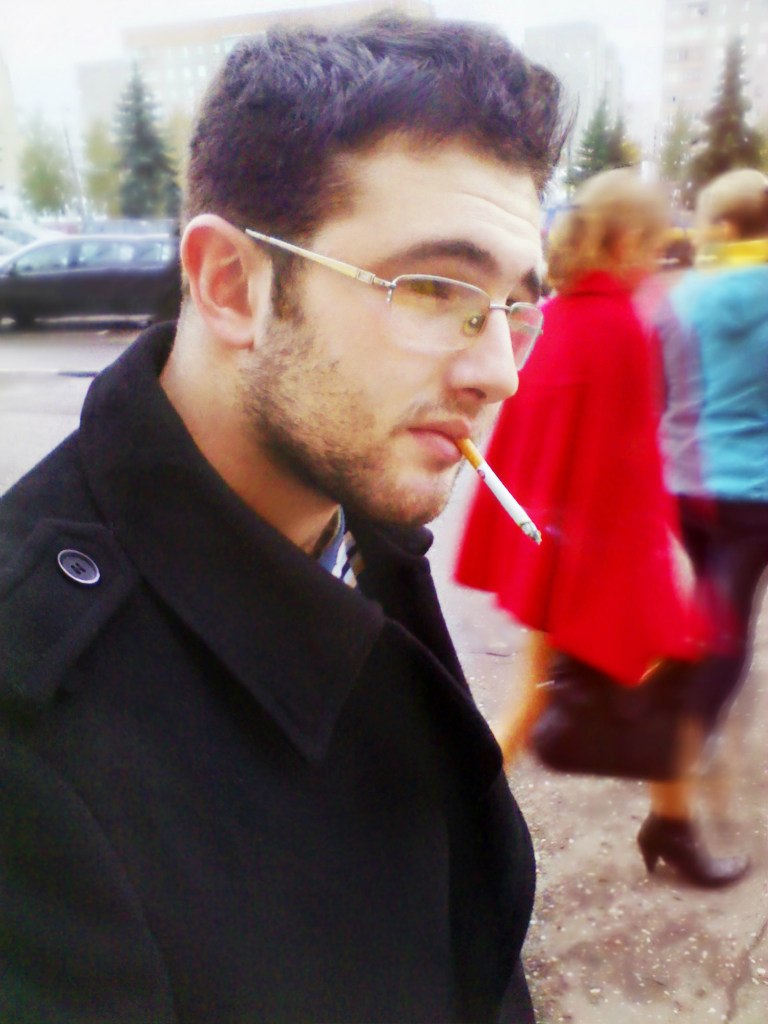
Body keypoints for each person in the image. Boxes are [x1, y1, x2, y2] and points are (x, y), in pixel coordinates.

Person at [0, 15, 568, 1024]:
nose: (499, 374)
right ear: (231, 285)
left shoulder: (354, 513)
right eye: (434, 289)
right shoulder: (34, 739)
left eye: (515, 306)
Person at [454, 168, 750, 888]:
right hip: (598, 553)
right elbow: (629, 467)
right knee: (669, 679)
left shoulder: (558, 317)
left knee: (541, 695)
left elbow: (539, 444)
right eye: (649, 244)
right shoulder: (622, 327)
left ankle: (666, 826)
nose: (655, 259)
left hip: (555, 549)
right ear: (621, 243)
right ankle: (457, 819)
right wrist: (661, 565)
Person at [654, 168, 768, 764]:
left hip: (686, 483)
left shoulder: (682, 296)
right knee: (729, 621)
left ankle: (684, 702)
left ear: (724, 227)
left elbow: (657, 389)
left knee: (710, 595)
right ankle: (684, 738)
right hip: (754, 491)